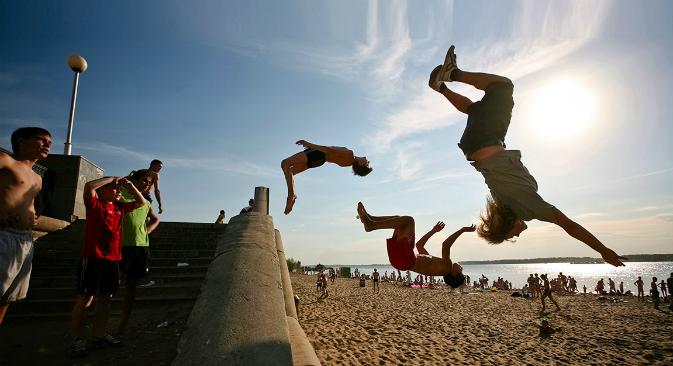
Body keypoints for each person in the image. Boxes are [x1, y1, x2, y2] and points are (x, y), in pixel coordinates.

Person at [428, 46, 627, 267]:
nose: (519, 234)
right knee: (475, 110)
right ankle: (440, 86)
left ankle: (451, 73)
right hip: (474, 146)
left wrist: (603, 251)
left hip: (486, 140)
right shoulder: (503, 202)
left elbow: (570, 226)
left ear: (508, 224)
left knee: (502, 86)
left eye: (512, 235)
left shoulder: (528, 208)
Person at [70, 177, 145, 357]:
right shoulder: (95, 205)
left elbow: (141, 202)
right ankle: (77, 338)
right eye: (114, 189)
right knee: (86, 297)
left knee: (106, 297)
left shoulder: (120, 207)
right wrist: (111, 179)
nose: (119, 192)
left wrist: (130, 186)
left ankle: (99, 333)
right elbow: (88, 186)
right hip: (92, 257)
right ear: (102, 190)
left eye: (119, 190)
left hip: (113, 258)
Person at [0, 127, 51, 325]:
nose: (47, 145)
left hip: (24, 239)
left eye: (49, 142)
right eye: (41, 140)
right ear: (22, 141)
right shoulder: (6, 161)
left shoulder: (37, 177)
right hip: (3, 234)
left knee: (7, 298)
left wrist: (33, 216)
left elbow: (35, 205)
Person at [356, 202, 471, 289]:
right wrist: (433, 231)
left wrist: (462, 230)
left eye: (461, 271)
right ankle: (370, 219)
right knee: (399, 221)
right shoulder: (436, 267)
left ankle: (372, 224)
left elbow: (446, 245)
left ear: (455, 274)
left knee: (409, 221)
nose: (461, 268)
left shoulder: (447, 267)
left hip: (406, 260)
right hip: (401, 261)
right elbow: (419, 245)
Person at [116, 170, 160, 335]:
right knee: (112, 286)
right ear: (133, 180)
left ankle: (122, 324)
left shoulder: (146, 202)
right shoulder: (120, 195)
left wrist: (148, 228)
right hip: (120, 246)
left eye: (149, 183)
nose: (147, 185)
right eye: (144, 181)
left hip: (140, 246)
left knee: (131, 288)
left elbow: (155, 219)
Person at [281, 140, 372, 215]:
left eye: (367, 164)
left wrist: (310, 145)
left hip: (319, 154)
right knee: (290, 172)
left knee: (285, 163)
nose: (369, 161)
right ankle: (292, 194)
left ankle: (291, 194)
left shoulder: (350, 154)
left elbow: (329, 150)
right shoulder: (348, 163)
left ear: (361, 164)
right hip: (319, 161)